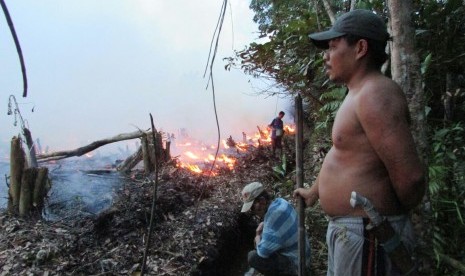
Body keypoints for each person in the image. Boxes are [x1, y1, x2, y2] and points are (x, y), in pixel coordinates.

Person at [293, 9, 426, 276]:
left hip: (370, 234)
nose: (325, 56)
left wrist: (387, 218)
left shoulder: (375, 93)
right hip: (355, 232)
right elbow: (342, 151)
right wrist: (315, 192)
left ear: (360, 48)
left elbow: (411, 179)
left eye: (332, 46)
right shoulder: (357, 93)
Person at [241, 182, 311, 276]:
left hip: (297, 267)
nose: (252, 212)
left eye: (252, 208)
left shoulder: (273, 218)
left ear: (262, 201)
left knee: (253, 257)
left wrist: (257, 236)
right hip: (303, 256)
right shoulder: (280, 202)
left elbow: (262, 253)